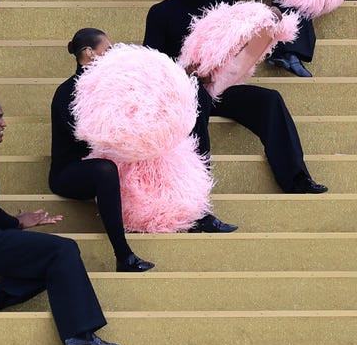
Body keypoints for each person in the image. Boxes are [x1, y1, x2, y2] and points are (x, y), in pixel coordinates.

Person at [0, 95, 120, 345]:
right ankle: (78, 334)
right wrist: (19, 222)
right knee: (64, 250)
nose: (4, 123)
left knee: (52, 258)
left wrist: (17, 223)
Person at [143, 0, 328, 194]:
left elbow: (258, 17)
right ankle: (196, 190)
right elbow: (153, 60)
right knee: (198, 94)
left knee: (270, 100)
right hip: (187, 91)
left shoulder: (224, 3)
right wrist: (186, 71)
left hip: (223, 87)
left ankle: (297, 180)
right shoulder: (161, 12)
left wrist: (272, 14)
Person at [50, 29, 233, 254]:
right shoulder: (68, 92)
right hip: (73, 169)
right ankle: (123, 254)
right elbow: (88, 137)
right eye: (107, 49)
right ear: (89, 53)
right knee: (107, 168)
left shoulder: (112, 84)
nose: (114, 54)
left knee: (168, 151)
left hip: (112, 160)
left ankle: (196, 215)